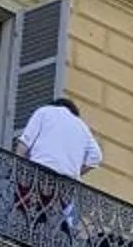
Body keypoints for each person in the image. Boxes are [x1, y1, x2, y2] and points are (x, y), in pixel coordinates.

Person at [12, 96, 101, 232]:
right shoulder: (82, 127)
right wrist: (77, 171)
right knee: (52, 217)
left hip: (40, 173)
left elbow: (24, 143)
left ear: (55, 105)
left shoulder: (44, 112)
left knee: (25, 211)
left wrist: (16, 168)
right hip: (66, 183)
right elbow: (96, 157)